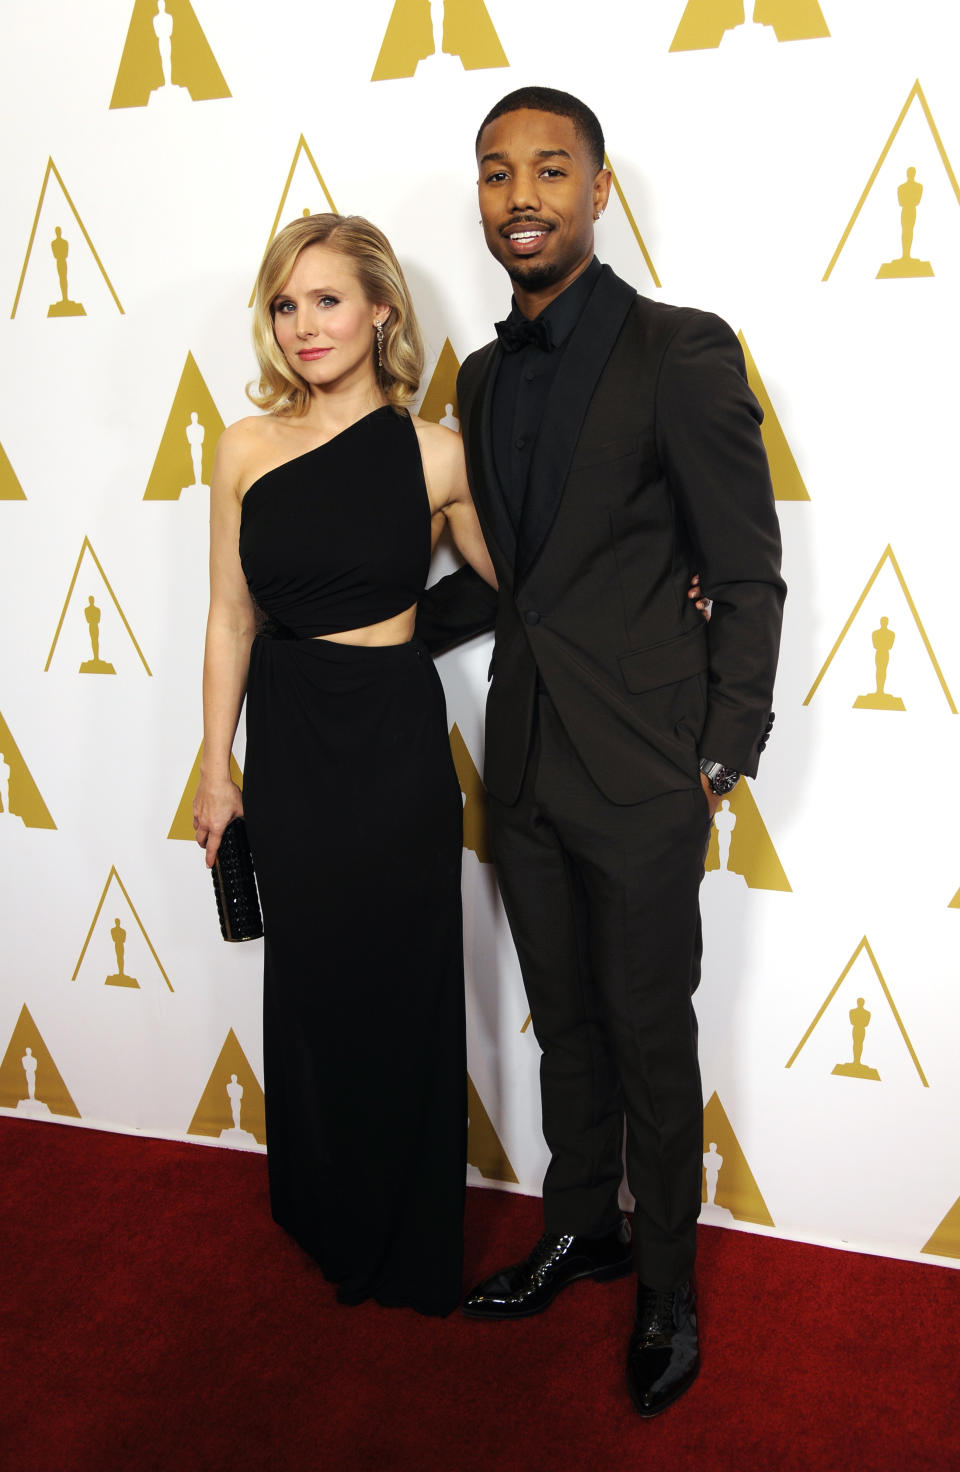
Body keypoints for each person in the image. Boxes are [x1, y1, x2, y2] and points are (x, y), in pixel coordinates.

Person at [441, 87, 785, 1416]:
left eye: (549, 168)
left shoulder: (682, 350)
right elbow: (511, 581)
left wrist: (720, 757)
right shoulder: (476, 377)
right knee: (564, 1023)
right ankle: (578, 1224)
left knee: (652, 1036)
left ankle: (667, 1293)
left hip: (645, 770)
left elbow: (747, 574)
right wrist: (349, 634)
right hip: (522, 753)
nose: (520, 193)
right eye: (495, 172)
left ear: (595, 192)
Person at [192, 212, 497, 1316]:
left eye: (327, 299)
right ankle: (325, 1205)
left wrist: (408, 628)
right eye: (286, 303)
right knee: (315, 980)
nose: (305, 324)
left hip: (392, 737)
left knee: (401, 978)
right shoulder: (242, 445)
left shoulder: (439, 453)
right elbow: (230, 616)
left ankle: (408, 1234)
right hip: (287, 733)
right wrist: (216, 765)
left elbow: (515, 580)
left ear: (381, 309)